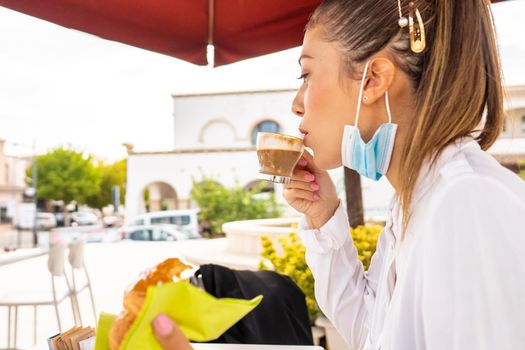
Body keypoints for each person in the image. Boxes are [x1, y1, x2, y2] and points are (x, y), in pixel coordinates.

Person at [153, 0, 525, 348]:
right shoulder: (414, 203)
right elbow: (370, 333)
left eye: (307, 74)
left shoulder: (466, 203)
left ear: (374, 79)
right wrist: (324, 218)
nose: (297, 104)